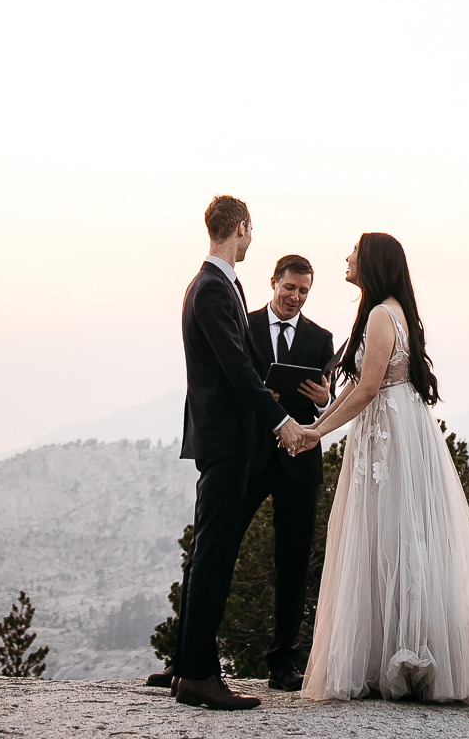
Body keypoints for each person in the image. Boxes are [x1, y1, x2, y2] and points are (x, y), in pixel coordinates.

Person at [282, 233, 469, 713]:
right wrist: (316, 427)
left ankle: (403, 654)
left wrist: (314, 431)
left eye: (353, 252)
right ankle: (391, 651)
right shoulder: (389, 310)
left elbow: (366, 390)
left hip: (388, 435)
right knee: (390, 538)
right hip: (390, 429)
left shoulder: (381, 315)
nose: (346, 258)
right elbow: (355, 387)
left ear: (371, 262)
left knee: (391, 537)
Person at [168, 195, 314, 711]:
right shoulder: (210, 287)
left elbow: (242, 363)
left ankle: (187, 665)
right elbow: (232, 365)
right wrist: (282, 422)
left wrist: (269, 396)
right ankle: (197, 675)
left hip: (230, 437)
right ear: (241, 228)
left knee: (212, 552)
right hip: (226, 440)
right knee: (213, 555)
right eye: (251, 232)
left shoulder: (220, 282)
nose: (251, 240)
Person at [240, 254, 334, 691]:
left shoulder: (322, 338)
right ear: (273, 282)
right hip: (251, 456)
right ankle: (187, 656)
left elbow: (325, 406)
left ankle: (283, 663)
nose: (296, 298)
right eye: (289, 288)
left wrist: (322, 399)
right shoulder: (245, 326)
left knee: (294, 564)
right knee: (215, 550)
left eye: (304, 292)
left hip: (299, 463)